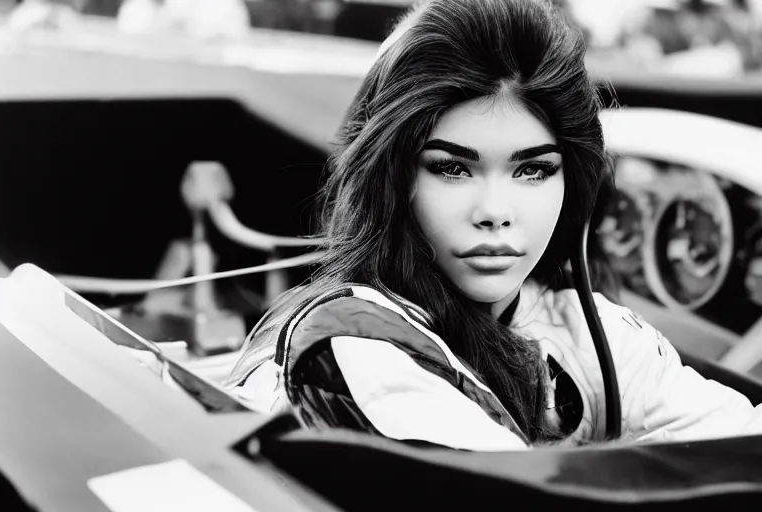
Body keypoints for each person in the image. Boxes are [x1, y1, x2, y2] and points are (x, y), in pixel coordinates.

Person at [225, 0, 762, 450]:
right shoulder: (349, 341)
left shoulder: (584, 330)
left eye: (533, 170)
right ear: (390, 180)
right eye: (453, 168)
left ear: (574, 186)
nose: (495, 210)